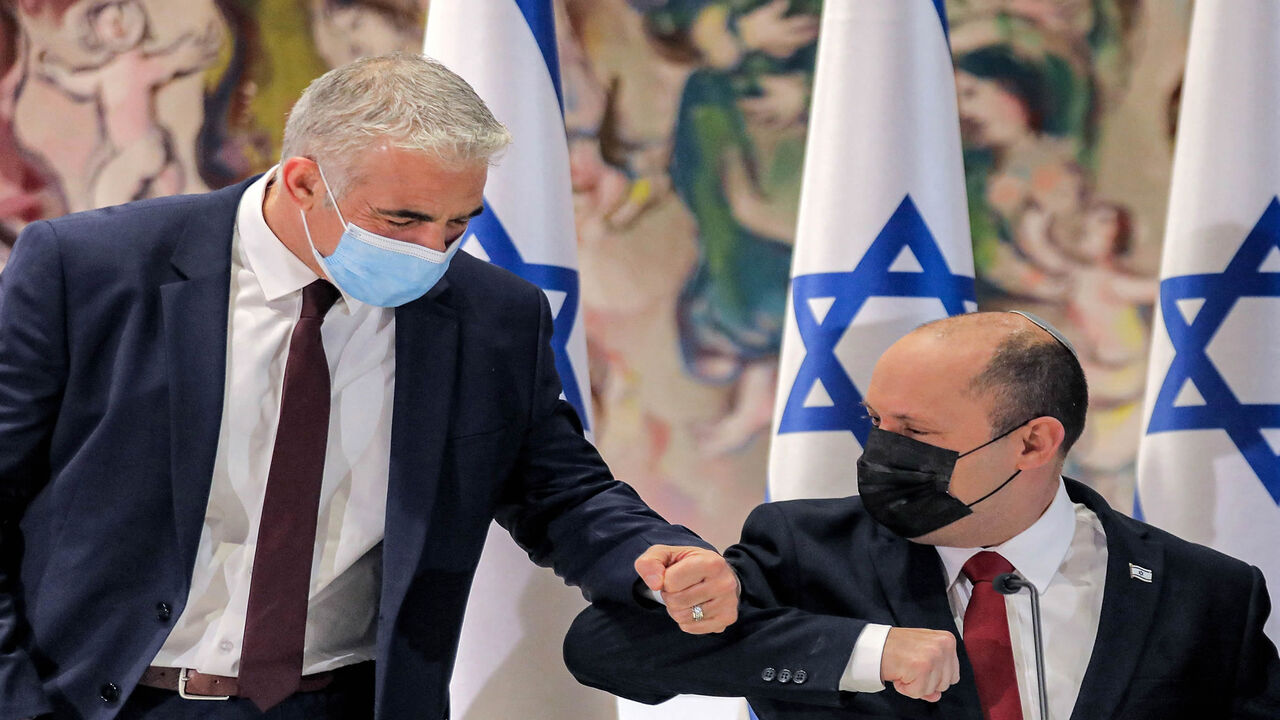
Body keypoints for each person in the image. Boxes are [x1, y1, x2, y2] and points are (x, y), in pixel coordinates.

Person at [0, 53, 740, 720]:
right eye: (403, 219)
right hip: (105, 698)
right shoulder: (90, 269)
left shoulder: (491, 316)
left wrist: (655, 554)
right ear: (302, 181)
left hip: (344, 702)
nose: (431, 252)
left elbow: (559, 488)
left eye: (457, 225)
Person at [564, 311, 1280, 719]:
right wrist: (863, 653)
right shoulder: (807, 553)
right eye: (876, 421)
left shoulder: (1205, 592)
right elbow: (607, 648)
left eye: (918, 433)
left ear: (1034, 442)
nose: (882, 451)